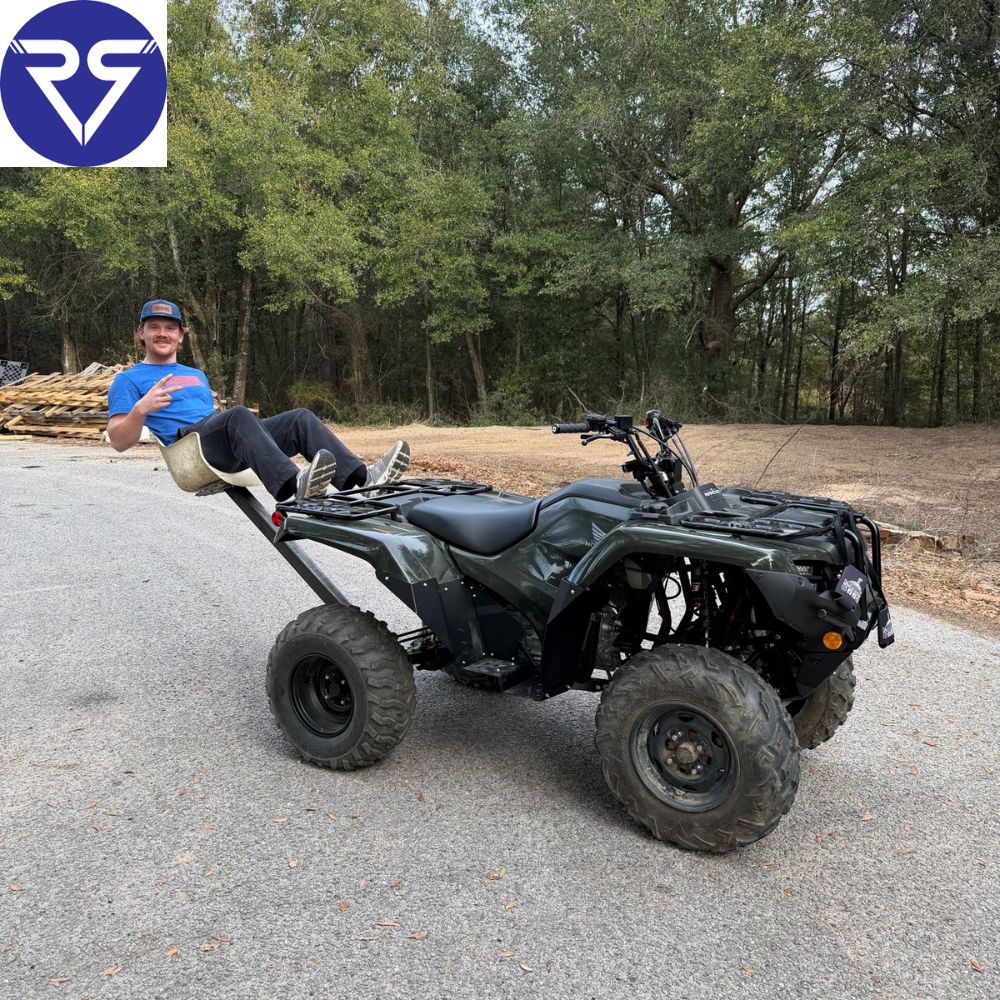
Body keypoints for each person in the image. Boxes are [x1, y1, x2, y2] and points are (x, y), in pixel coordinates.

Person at [106, 299, 409, 500]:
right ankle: (295, 484)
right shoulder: (128, 380)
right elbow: (119, 441)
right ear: (140, 333)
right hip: (192, 451)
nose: (163, 333)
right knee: (238, 415)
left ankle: (363, 481)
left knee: (299, 419)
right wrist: (141, 409)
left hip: (224, 437)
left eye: (170, 328)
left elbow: (221, 420)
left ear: (181, 336)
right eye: (154, 327)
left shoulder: (196, 375)